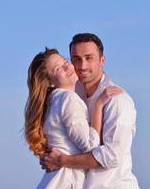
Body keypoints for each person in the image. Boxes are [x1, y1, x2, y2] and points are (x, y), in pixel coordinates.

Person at [43, 33, 140, 189]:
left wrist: (62, 161)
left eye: (89, 58)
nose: (82, 66)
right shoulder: (72, 95)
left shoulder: (117, 101)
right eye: (76, 59)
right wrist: (49, 155)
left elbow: (111, 157)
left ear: (102, 61)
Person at [24, 48, 122, 189]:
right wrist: (98, 107)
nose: (67, 67)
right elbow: (90, 145)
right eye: (58, 69)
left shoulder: (52, 102)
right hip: (67, 181)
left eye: (65, 61)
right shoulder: (67, 98)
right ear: (50, 83)